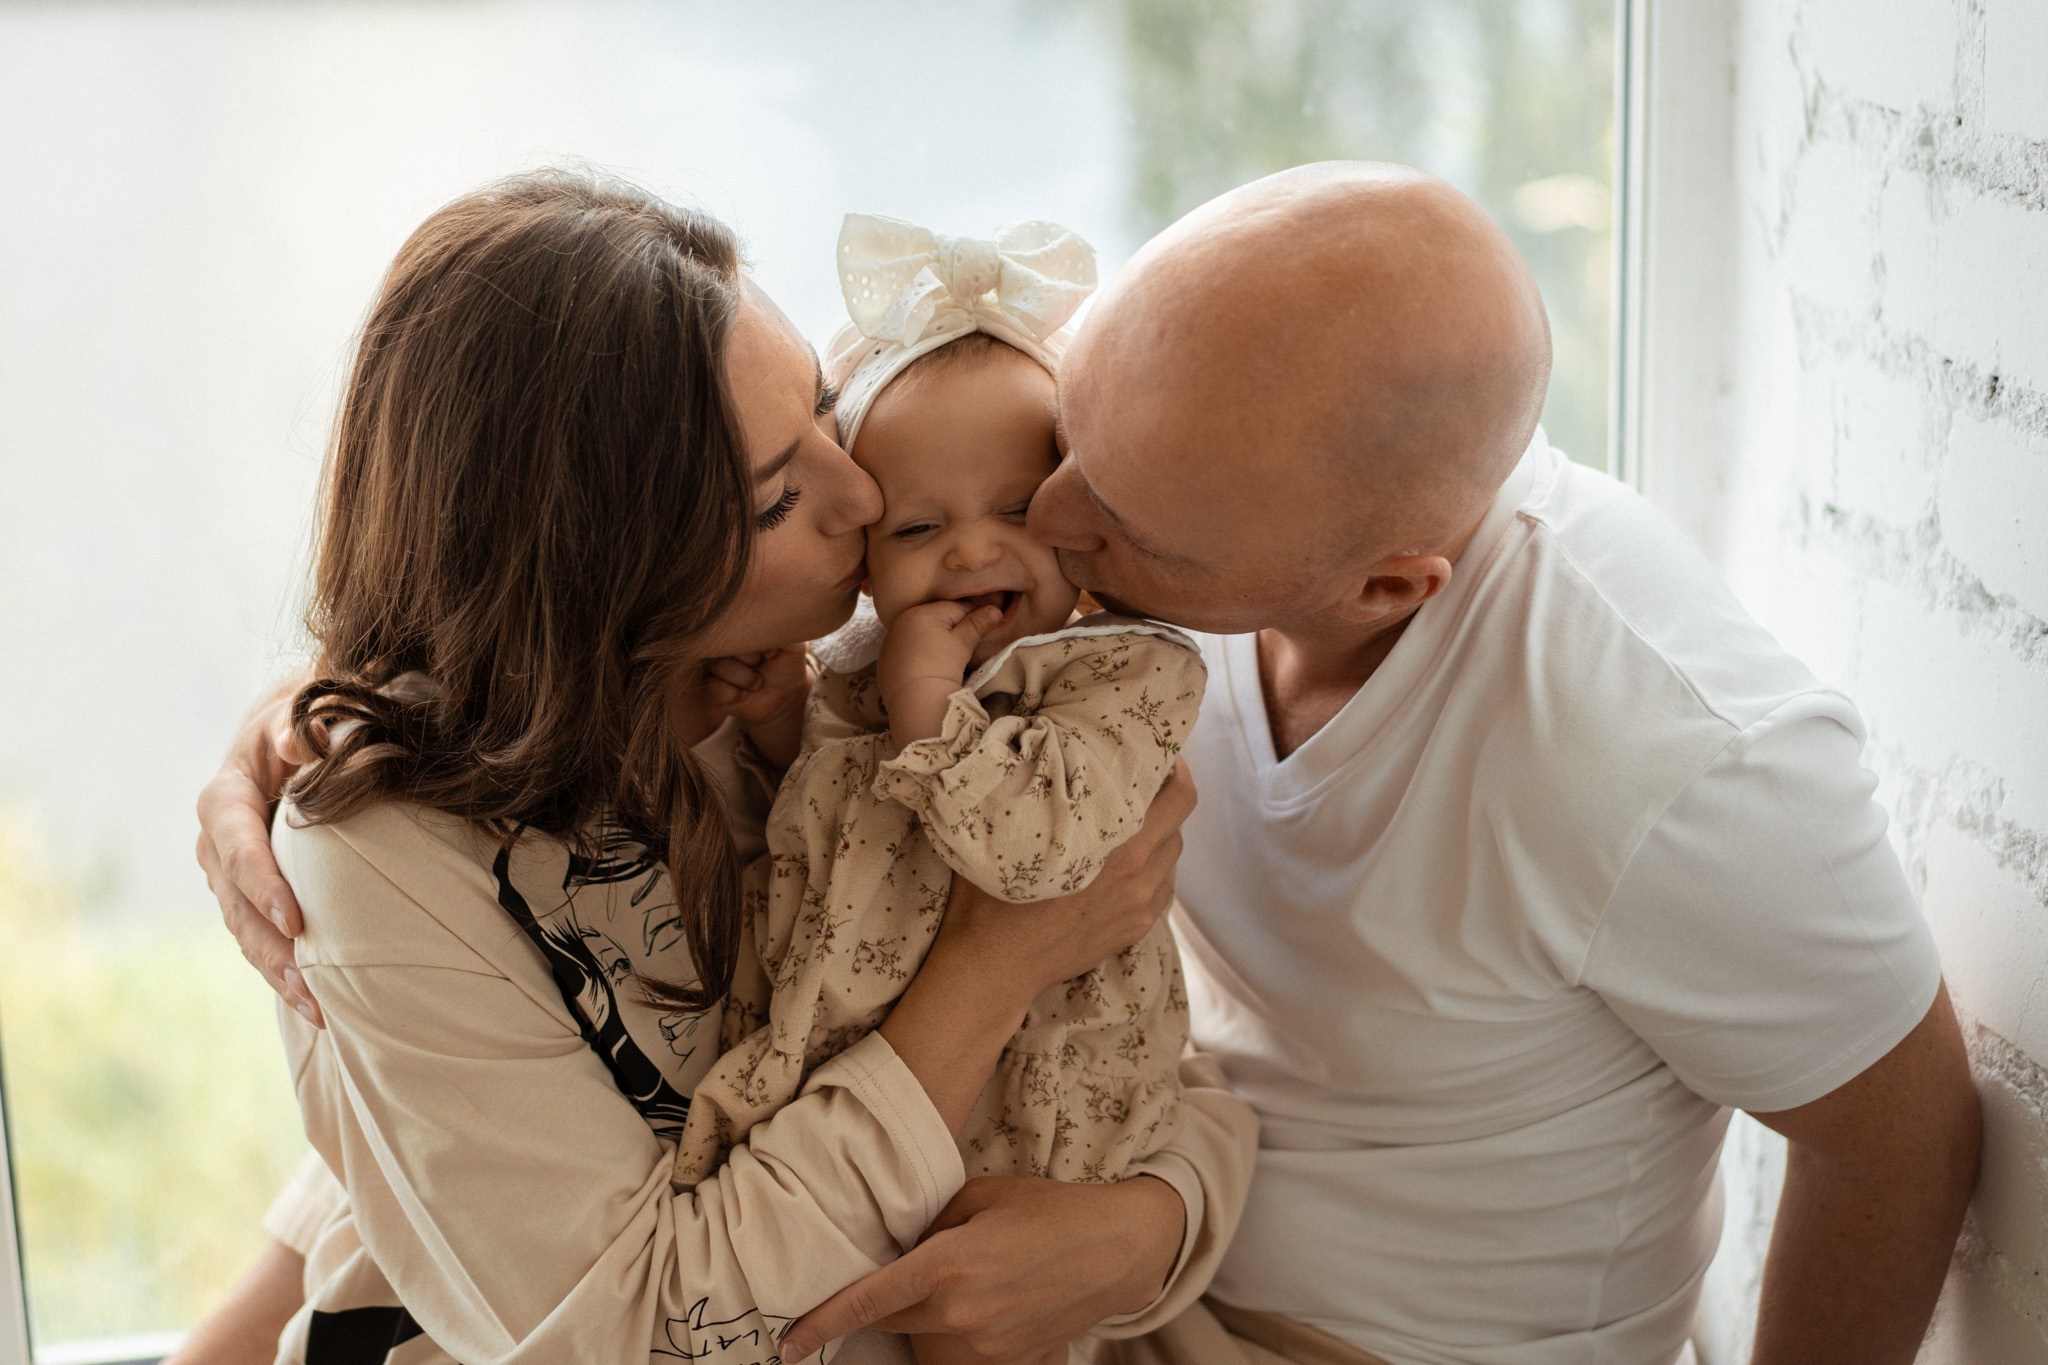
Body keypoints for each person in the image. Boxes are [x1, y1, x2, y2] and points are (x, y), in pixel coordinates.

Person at [204, 163, 1982, 1365]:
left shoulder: (1651, 739)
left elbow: (1898, 1134)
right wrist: (343, 725)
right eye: (1074, 435)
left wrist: (1146, 1224)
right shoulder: (1099, 530)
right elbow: (491, 1019)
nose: (1023, 541)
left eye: (1113, 524)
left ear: (1377, 582)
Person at [182, 168, 1257, 1365]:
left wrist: (1145, 1228)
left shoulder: (863, 681)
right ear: (598, 569)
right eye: (779, 496)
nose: (863, 494)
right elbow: (639, 1328)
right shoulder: (399, 852)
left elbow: (1132, 1029)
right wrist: (990, 966)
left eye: (825, 409)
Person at [676, 210, 1210, 1365]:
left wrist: (931, 710)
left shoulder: (1116, 672)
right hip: (854, 1052)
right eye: (919, 525)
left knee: (975, 1313)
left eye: (1016, 509)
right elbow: (816, 810)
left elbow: (1039, 860)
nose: (971, 553)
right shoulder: (871, 660)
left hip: (1044, 1081)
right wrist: (779, 720)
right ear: (866, 550)